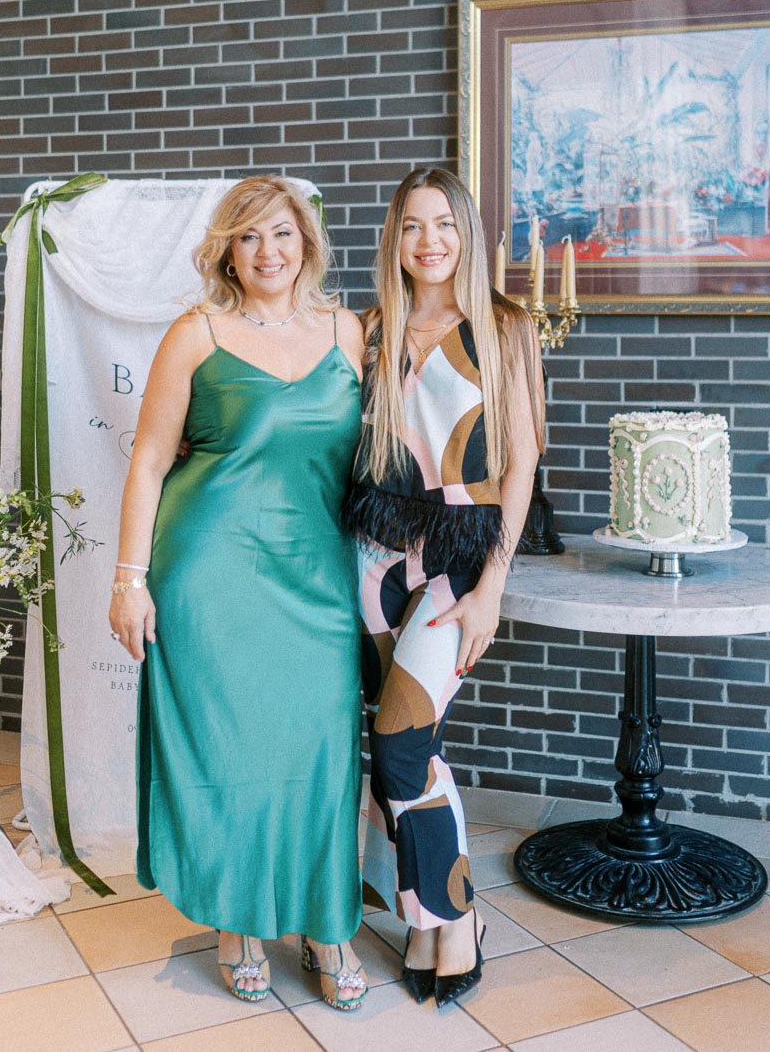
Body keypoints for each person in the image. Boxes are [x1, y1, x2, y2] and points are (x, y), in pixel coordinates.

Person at [109, 176, 369, 1011]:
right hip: (209, 572)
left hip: (318, 575)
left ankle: (327, 923)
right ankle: (236, 920)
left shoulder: (348, 331)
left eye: (283, 234)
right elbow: (150, 461)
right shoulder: (196, 334)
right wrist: (130, 580)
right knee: (226, 754)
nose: (269, 252)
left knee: (321, 751)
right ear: (227, 248)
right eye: (250, 237)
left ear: (308, 243)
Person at [343, 166, 545, 1008]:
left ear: (467, 234)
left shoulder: (503, 325)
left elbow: (525, 453)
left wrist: (493, 583)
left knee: (400, 742)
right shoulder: (370, 327)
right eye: (413, 227)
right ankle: (427, 920)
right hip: (374, 551)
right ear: (395, 238)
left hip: (462, 550)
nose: (429, 241)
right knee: (398, 749)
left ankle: (458, 920)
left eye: (445, 225)